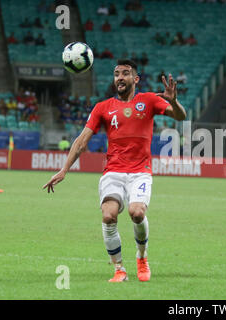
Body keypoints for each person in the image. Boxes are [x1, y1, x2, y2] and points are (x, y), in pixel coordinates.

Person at [43, 60, 186, 283]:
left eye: (125, 74)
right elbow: (81, 141)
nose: (120, 77)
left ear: (135, 79)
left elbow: (181, 117)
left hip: (140, 171)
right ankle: (119, 269)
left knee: (137, 213)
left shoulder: (148, 100)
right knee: (108, 216)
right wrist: (64, 169)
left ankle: (142, 257)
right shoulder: (102, 107)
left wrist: (175, 102)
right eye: (116, 74)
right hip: (113, 172)